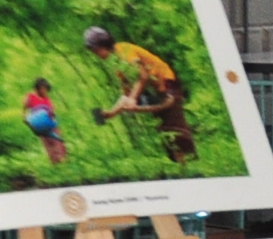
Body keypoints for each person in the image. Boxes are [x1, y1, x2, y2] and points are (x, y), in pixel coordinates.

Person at [84, 27, 198, 162]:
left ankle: (190, 163)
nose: (96, 54)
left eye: (96, 50)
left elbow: (142, 76)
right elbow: (126, 92)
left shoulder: (125, 51)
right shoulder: (115, 61)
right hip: (153, 93)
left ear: (104, 44)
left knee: (175, 126)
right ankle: (180, 163)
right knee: (164, 130)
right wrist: (110, 113)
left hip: (166, 84)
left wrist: (132, 99)